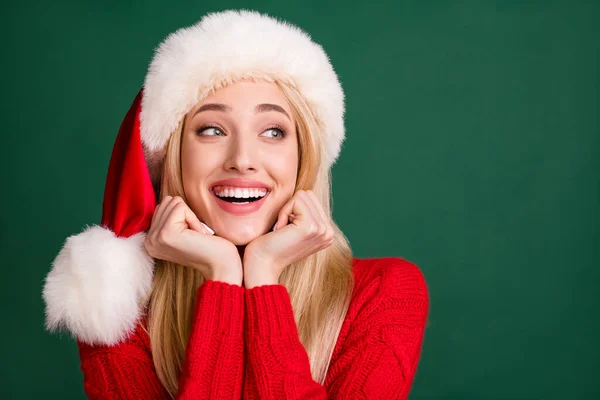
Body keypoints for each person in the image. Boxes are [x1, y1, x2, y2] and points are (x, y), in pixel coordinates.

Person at [42, 9, 429, 399]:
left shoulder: (384, 294)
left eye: (273, 131)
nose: (242, 158)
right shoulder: (117, 310)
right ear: (172, 158)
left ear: (303, 156)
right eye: (212, 130)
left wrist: (262, 276)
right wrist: (223, 275)